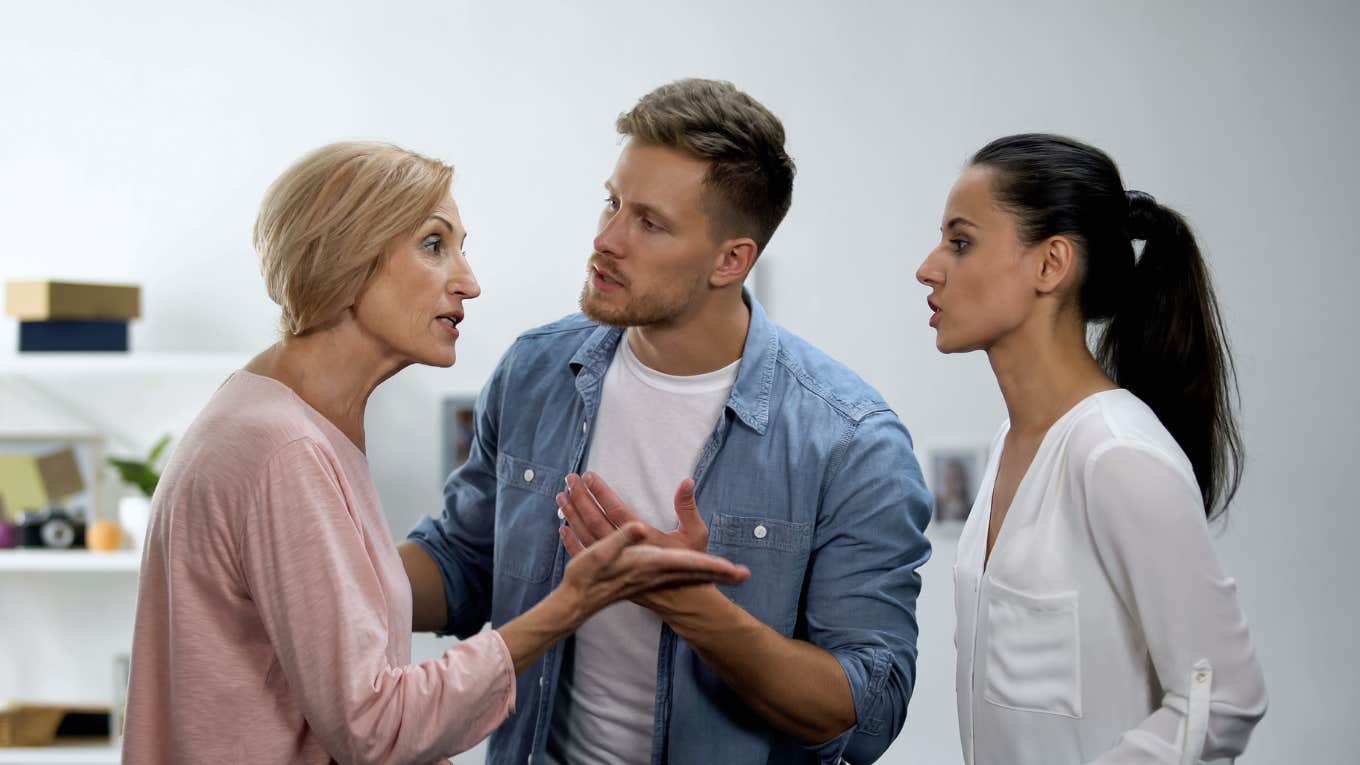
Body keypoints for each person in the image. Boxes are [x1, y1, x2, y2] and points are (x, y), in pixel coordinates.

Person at [122, 141, 749, 765]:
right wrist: (575, 599)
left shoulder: (294, 421)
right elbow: (376, 729)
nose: (469, 283)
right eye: (433, 245)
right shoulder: (281, 447)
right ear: (346, 258)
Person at [401, 78, 932, 765]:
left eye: (649, 222)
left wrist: (692, 607)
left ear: (731, 259)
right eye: (612, 202)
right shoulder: (535, 371)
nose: (606, 239)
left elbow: (867, 713)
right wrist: (320, 568)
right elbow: (462, 566)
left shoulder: (851, 442)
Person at [916, 133, 1267, 764]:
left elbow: (1225, 697)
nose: (929, 267)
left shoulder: (1116, 453)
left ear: (1051, 264)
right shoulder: (1009, 445)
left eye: (961, 242)